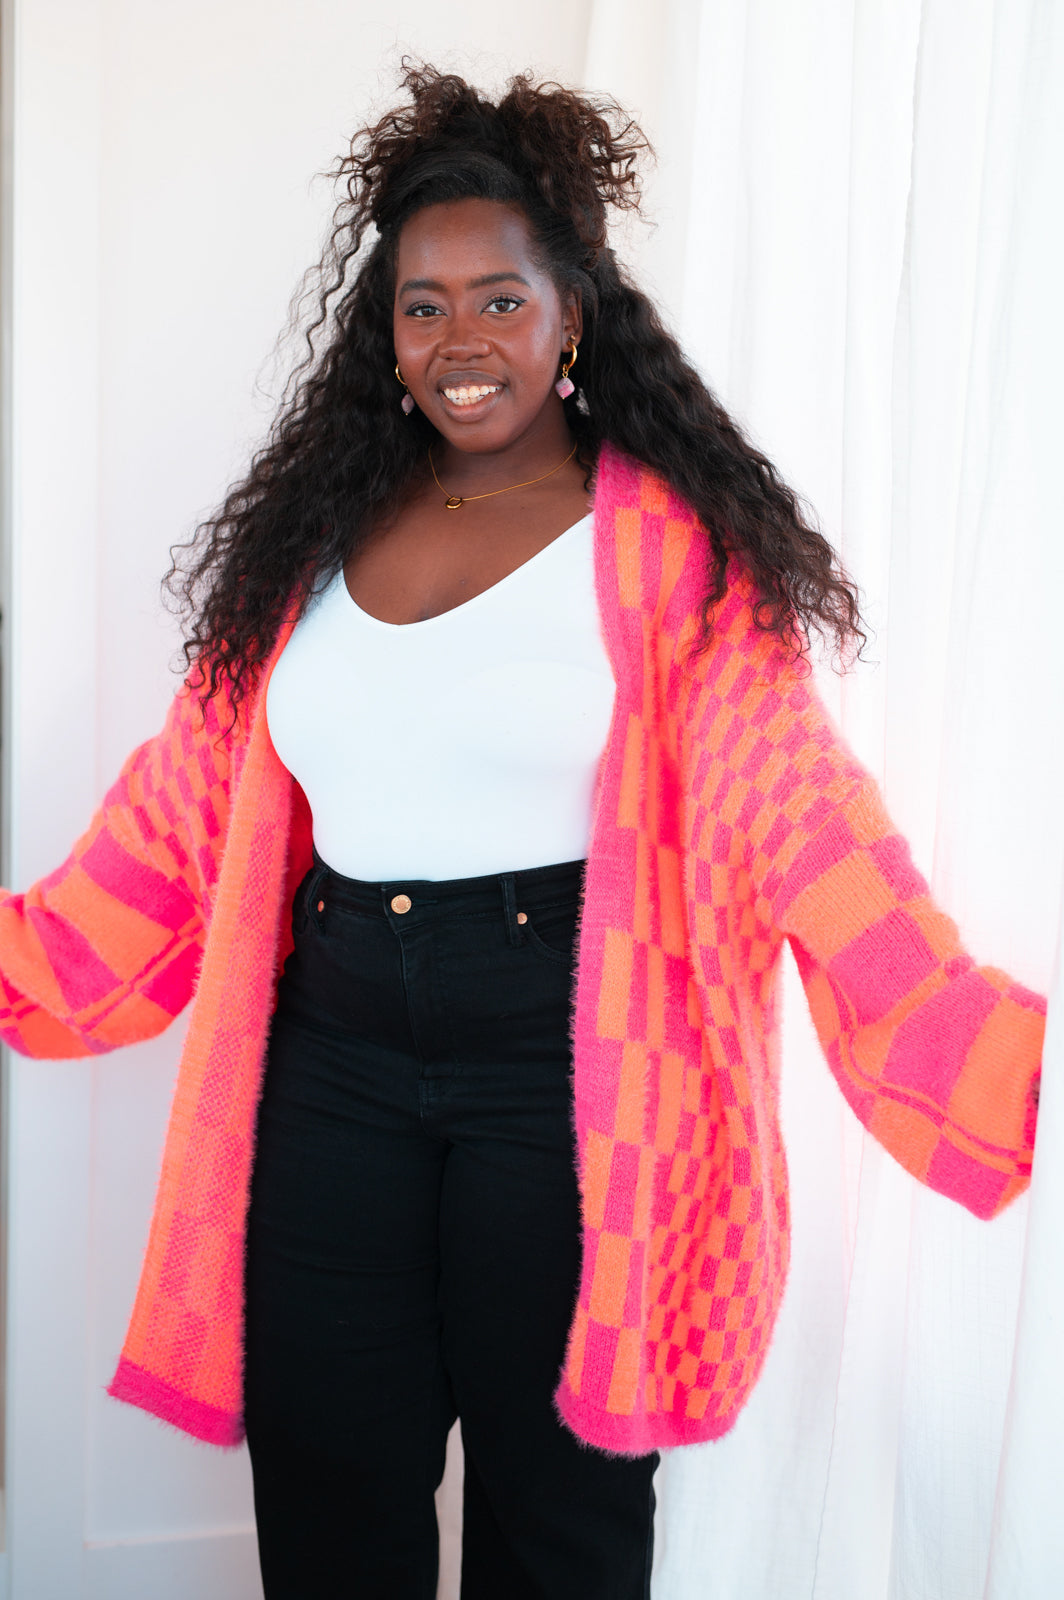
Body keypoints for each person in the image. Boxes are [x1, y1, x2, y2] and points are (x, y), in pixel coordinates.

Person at [0, 63, 1044, 1600]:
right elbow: (181, 806)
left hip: (564, 1067)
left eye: (500, 299)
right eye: (423, 307)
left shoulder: (666, 550)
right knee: (329, 1486)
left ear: (572, 318)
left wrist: (962, 1032)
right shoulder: (315, 540)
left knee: (557, 1524)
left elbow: (799, 803)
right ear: (386, 334)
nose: (461, 341)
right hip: (333, 1060)